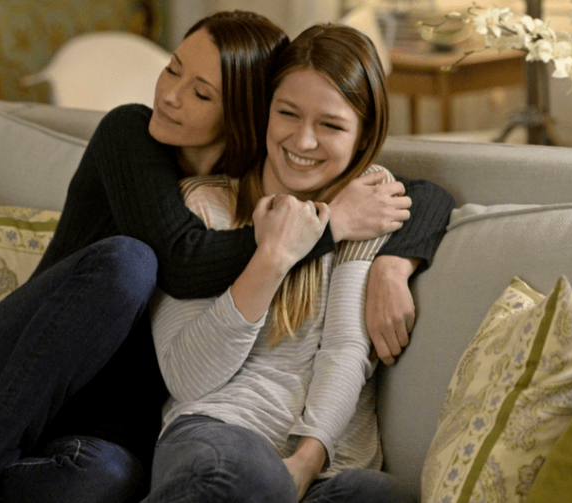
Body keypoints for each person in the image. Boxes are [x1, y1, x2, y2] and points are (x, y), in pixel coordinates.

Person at [0, 11, 454, 503]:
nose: (170, 96)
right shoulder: (134, 139)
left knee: (106, 484)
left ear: (243, 110)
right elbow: (183, 260)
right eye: (172, 69)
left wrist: (393, 260)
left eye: (201, 91)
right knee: (129, 264)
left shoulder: (281, 177)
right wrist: (324, 230)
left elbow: (419, 193)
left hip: (88, 424)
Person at [144, 23, 417, 503]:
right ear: (265, 111)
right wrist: (273, 256)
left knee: (383, 497)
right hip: (220, 433)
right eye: (287, 113)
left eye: (330, 126)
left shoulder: (369, 203)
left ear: (363, 136)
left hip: (328, 462)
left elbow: (345, 350)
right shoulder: (204, 205)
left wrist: (305, 463)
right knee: (247, 476)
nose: (303, 141)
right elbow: (187, 377)